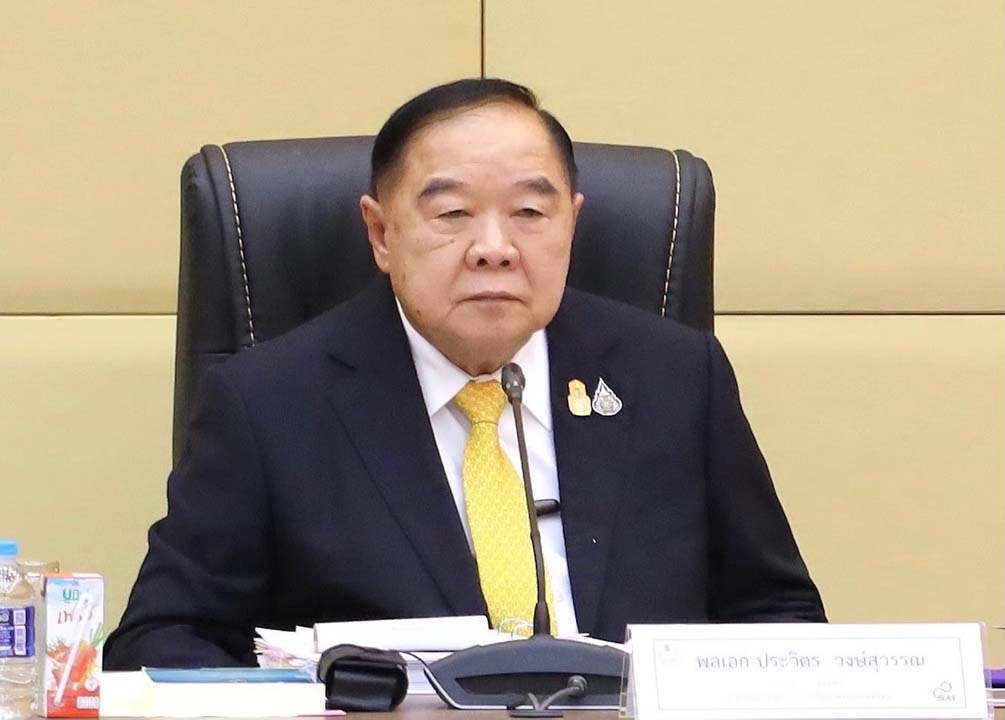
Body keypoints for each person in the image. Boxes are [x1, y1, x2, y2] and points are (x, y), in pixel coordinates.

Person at [104, 78, 825, 670]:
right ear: (381, 233)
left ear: (571, 224)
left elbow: (780, 617)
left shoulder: (675, 377)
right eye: (452, 213)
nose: (494, 247)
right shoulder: (269, 403)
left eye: (530, 211)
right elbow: (159, 643)